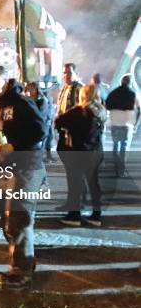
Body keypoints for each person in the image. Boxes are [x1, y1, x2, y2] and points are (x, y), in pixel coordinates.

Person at [0, 64, 46, 290]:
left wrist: (15, 146)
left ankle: (21, 271)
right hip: (9, 168)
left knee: (19, 219)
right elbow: (0, 133)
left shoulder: (20, 102)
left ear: (7, 81)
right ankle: (24, 263)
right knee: (12, 220)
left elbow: (40, 130)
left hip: (27, 167)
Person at [55, 84, 107, 227]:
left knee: (75, 184)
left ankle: (74, 215)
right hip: (95, 152)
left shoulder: (79, 111)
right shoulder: (101, 111)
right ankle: (97, 215)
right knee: (93, 183)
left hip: (78, 152)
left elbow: (58, 122)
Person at [56, 63, 84, 210]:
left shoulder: (79, 88)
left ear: (75, 73)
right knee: (70, 171)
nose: (65, 75)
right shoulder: (65, 88)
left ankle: (77, 203)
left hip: (73, 134)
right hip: (64, 132)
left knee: (75, 171)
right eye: (64, 73)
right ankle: (72, 202)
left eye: (68, 73)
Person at [106, 75, 139, 177]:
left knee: (115, 145)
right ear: (130, 83)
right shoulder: (133, 94)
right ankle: (121, 170)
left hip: (115, 123)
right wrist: (136, 124)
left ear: (121, 82)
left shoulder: (113, 93)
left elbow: (107, 105)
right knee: (124, 147)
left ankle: (116, 167)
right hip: (127, 124)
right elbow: (139, 110)